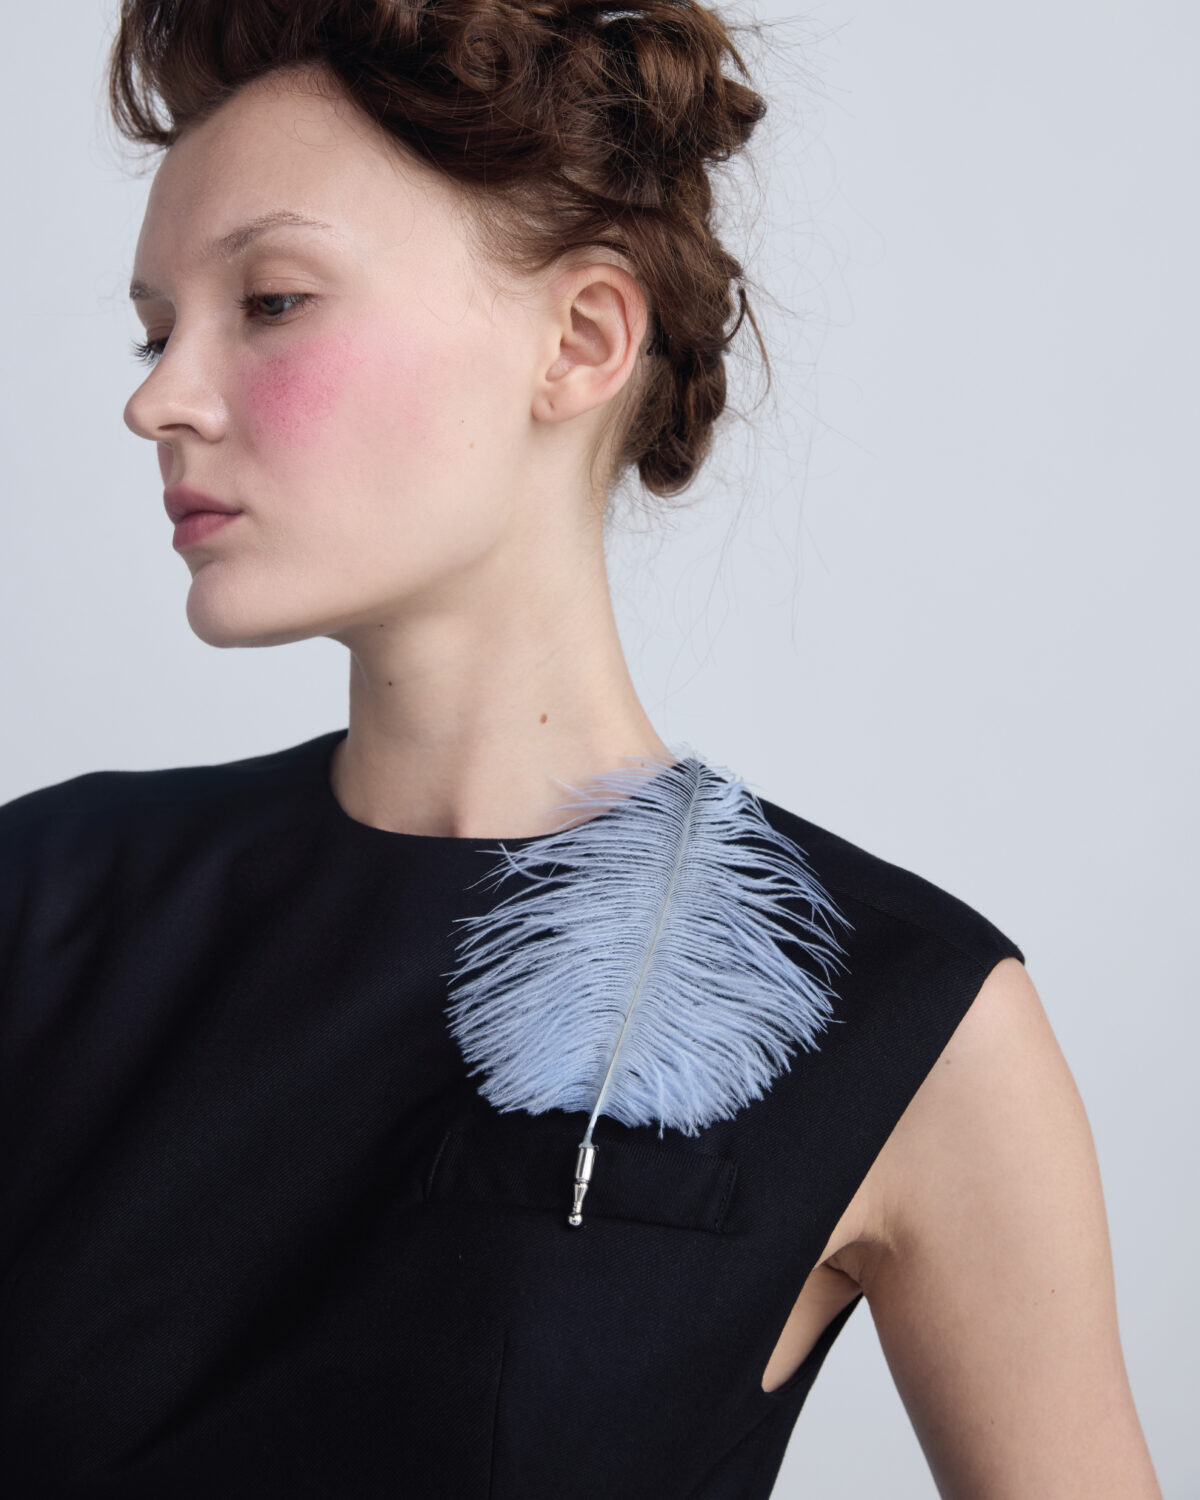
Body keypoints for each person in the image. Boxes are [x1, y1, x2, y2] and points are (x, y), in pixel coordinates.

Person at [0, 1, 1162, 1496]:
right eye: (158, 328)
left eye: (271, 301)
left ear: (581, 339)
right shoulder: (47, 899)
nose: (157, 396)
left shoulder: (907, 1016)